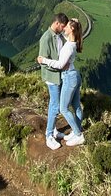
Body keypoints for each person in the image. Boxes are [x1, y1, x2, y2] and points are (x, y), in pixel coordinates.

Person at [38, 18, 85, 147]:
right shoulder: (72, 41)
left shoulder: (69, 46)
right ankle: (77, 131)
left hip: (69, 77)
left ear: (72, 29)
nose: (64, 28)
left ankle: (78, 134)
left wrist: (44, 60)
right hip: (74, 74)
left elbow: (59, 64)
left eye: (67, 26)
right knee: (76, 105)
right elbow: (64, 32)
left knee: (63, 108)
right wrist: (74, 21)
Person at [38, 13, 69, 150]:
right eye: (62, 26)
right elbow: (43, 62)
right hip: (52, 77)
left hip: (58, 75)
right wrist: (59, 65)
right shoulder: (46, 38)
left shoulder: (59, 35)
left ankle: (54, 130)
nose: (63, 29)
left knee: (54, 104)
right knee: (55, 106)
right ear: (57, 23)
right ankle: (49, 135)